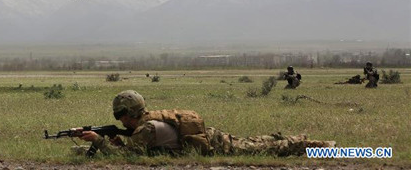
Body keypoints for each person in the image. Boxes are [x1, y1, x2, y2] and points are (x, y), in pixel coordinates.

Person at [76, 90, 335, 157]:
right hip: (210, 137)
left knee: (265, 149)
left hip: (214, 145)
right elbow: (135, 147)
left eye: (120, 114)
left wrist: (98, 141)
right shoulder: (147, 121)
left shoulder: (147, 128)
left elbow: (127, 158)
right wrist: (119, 141)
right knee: (259, 142)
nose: (119, 120)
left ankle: (316, 146)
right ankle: (285, 139)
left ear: (129, 112)